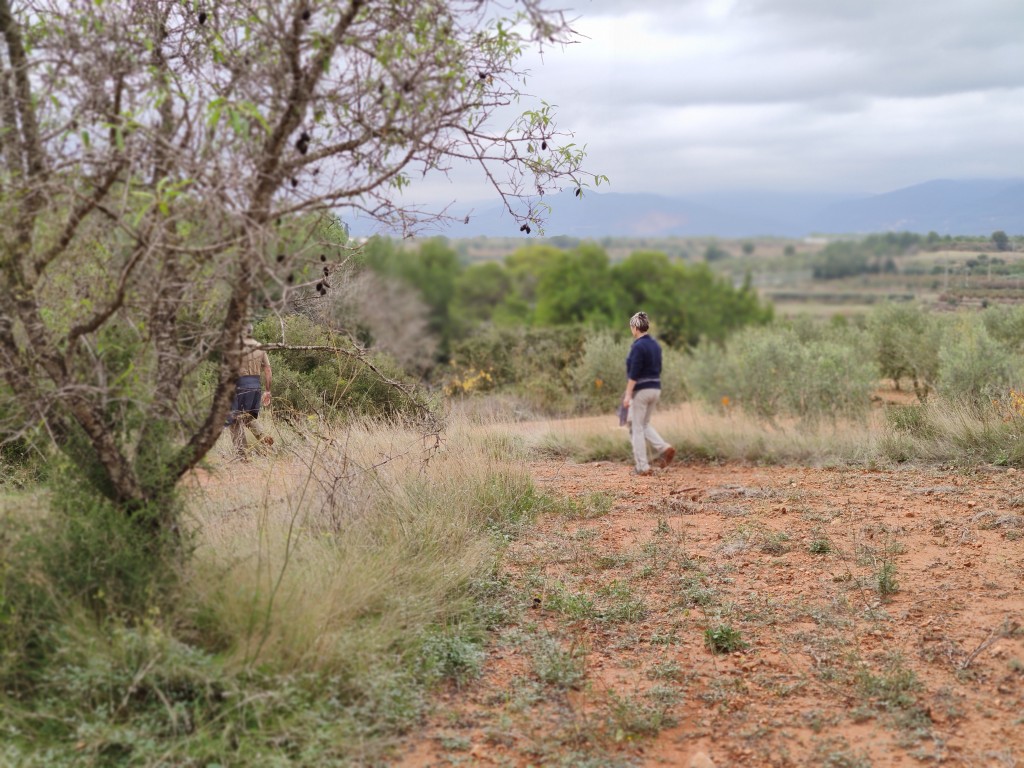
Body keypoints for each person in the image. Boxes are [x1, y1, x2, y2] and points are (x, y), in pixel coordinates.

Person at [622, 311, 674, 476]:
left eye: (631, 327)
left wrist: (628, 394)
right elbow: (659, 368)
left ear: (635, 327)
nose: (631, 330)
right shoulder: (655, 345)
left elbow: (634, 373)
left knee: (635, 427)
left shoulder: (638, 346)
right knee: (644, 424)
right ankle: (664, 447)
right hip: (655, 388)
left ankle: (642, 467)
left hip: (642, 391)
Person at [226, 325, 273, 460]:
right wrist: (268, 391)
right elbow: (268, 371)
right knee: (247, 417)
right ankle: (263, 437)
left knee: (234, 421)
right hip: (255, 386)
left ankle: (243, 457)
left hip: (239, 386)